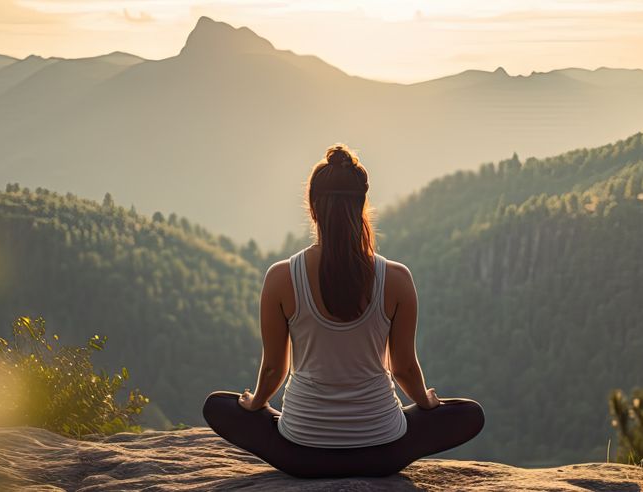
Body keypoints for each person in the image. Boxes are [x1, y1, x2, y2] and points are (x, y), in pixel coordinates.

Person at [202, 144, 484, 478]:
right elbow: (405, 369)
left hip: (300, 453)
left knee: (217, 405)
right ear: (362, 205)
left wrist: (254, 404)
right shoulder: (395, 278)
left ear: (312, 207)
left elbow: (274, 369)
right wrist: (427, 403)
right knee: (469, 414)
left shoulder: (281, 277)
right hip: (383, 452)